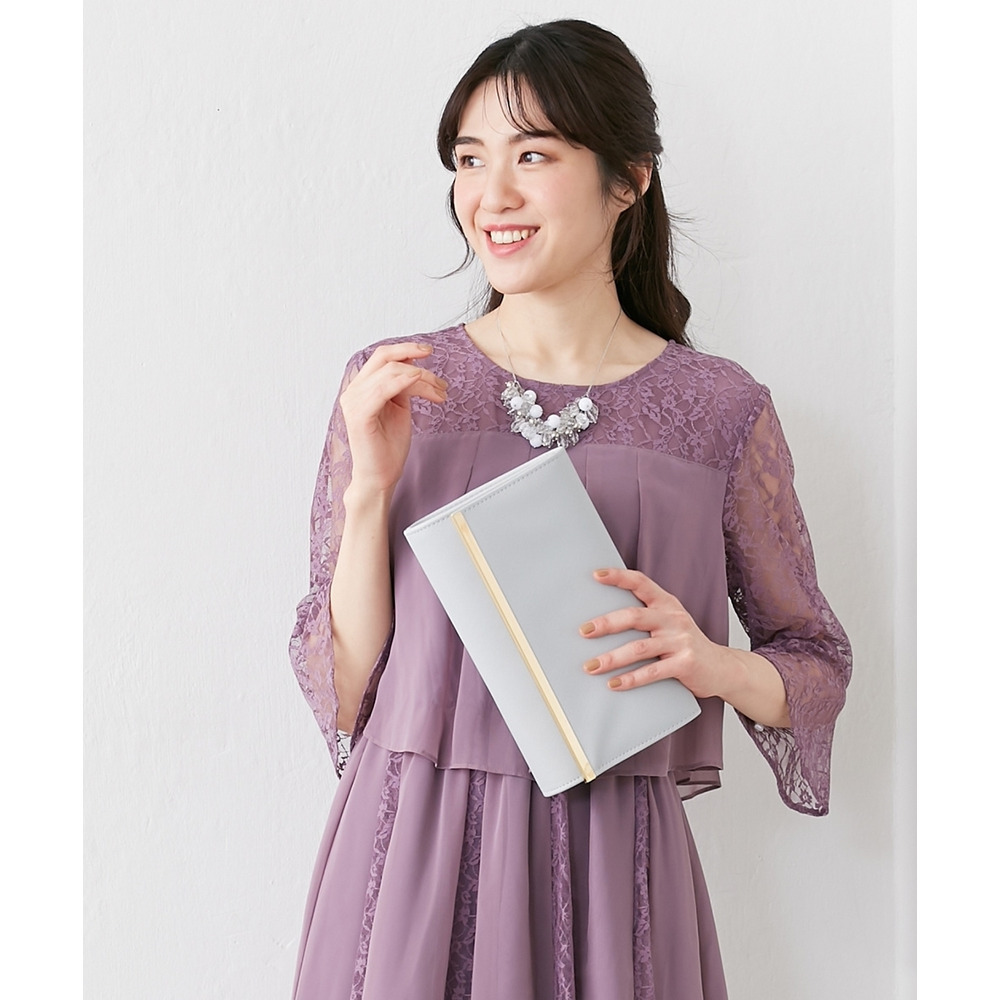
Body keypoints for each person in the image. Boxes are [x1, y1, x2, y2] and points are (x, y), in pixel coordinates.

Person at [288, 19, 851, 1000]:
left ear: (628, 177)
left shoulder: (718, 411)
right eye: (469, 159)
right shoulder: (398, 385)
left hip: (612, 864)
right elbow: (341, 687)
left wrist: (708, 663)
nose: (490, 195)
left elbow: (814, 664)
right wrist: (370, 489)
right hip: (409, 852)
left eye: (533, 155)